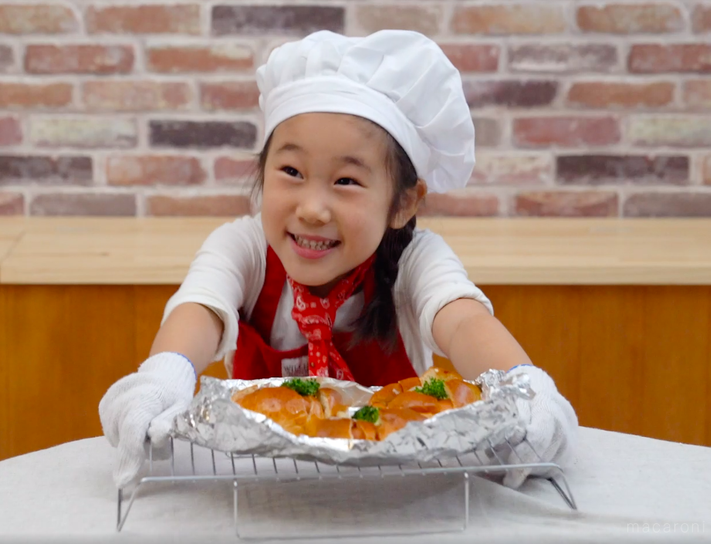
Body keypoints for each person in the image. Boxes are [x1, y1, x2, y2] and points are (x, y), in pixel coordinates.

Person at [99, 30, 578, 490]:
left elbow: (464, 322)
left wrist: (526, 387)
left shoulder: (416, 260)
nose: (311, 208)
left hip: (395, 500)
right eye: (291, 171)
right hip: (262, 492)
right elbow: (199, 310)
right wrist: (163, 379)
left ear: (403, 204)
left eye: (346, 181)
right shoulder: (243, 249)